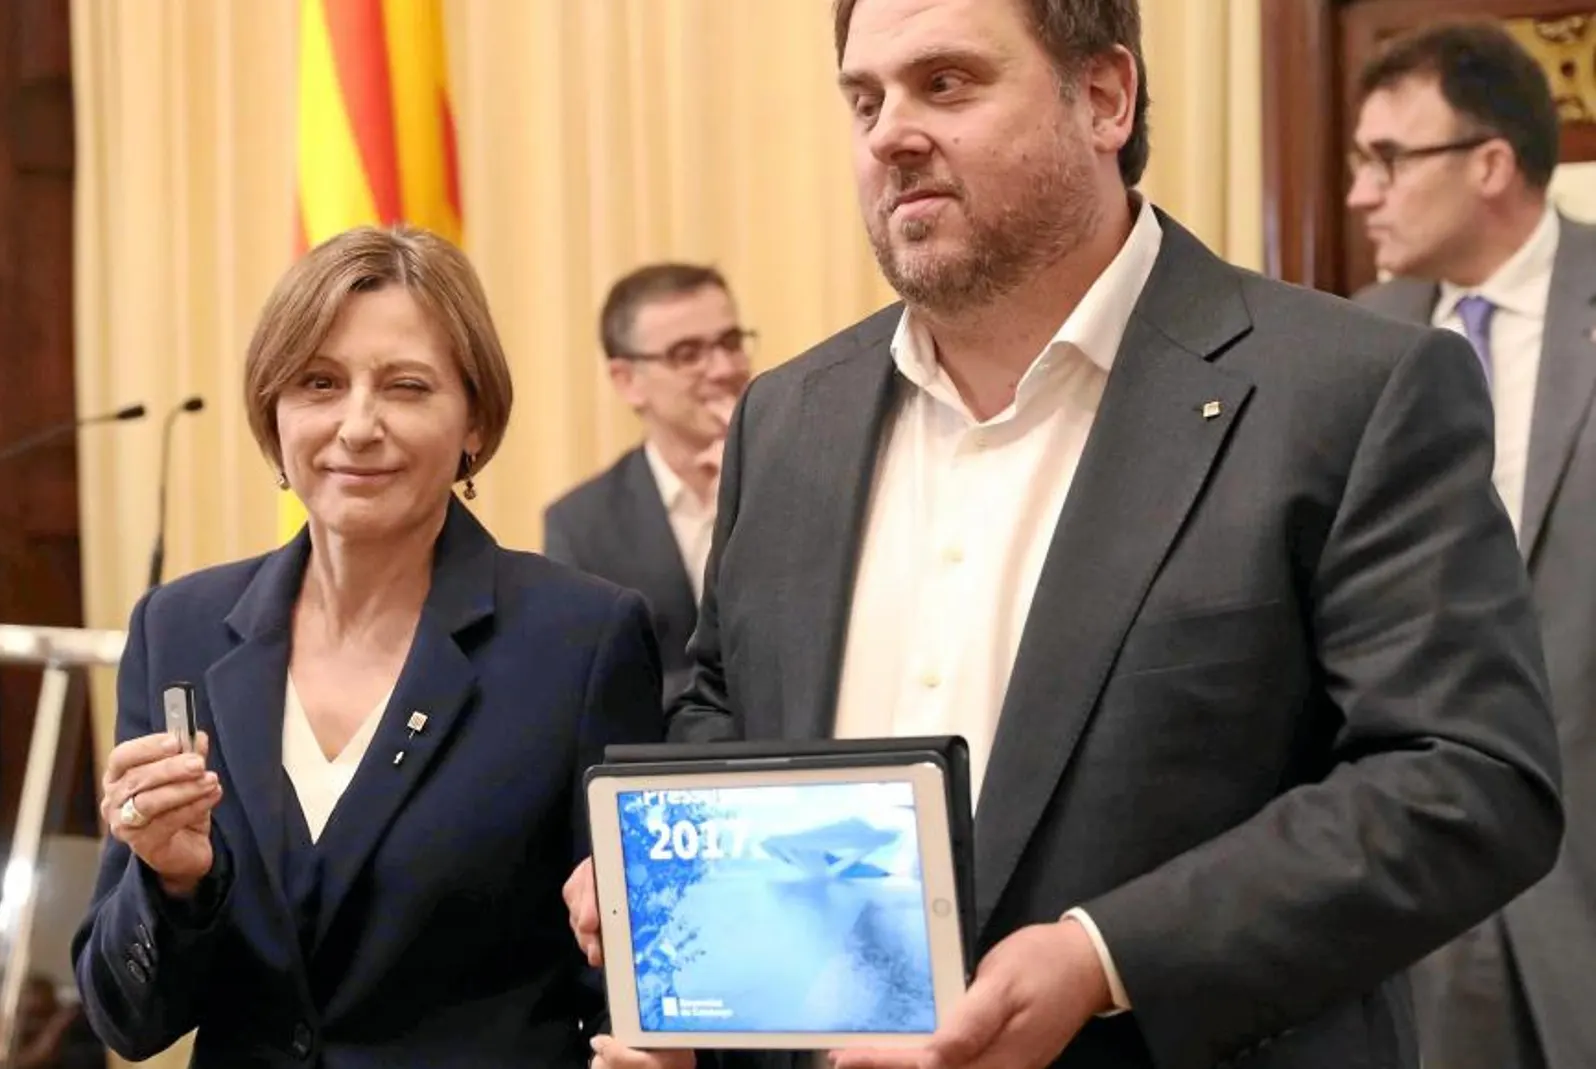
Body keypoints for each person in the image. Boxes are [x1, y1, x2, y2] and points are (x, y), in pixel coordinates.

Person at [567, 1, 1565, 1067]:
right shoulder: (788, 416)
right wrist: (666, 877)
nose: (889, 133)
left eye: (945, 84)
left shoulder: (1347, 391)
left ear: (1102, 98)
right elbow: (727, 704)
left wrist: (1104, 956)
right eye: (865, 98)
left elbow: (1462, 779)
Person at [71, 225, 676, 1069]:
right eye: (319, 382)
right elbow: (126, 1022)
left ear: (474, 420)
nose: (357, 425)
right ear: (273, 413)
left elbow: (635, 978)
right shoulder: (179, 627)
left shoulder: (581, 639)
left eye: (406, 386)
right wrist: (170, 880)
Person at [1346, 21, 1596, 1069]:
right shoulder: (1356, 342)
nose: (1361, 192)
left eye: (1388, 159)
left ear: (1489, 162)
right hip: (1412, 905)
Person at [544, 264, 753, 706]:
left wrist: (750, 498)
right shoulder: (582, 525)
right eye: (687, 353)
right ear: (627, 381)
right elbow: (589, 690)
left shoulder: (796, 486)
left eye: (730, 344)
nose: (722, 369)